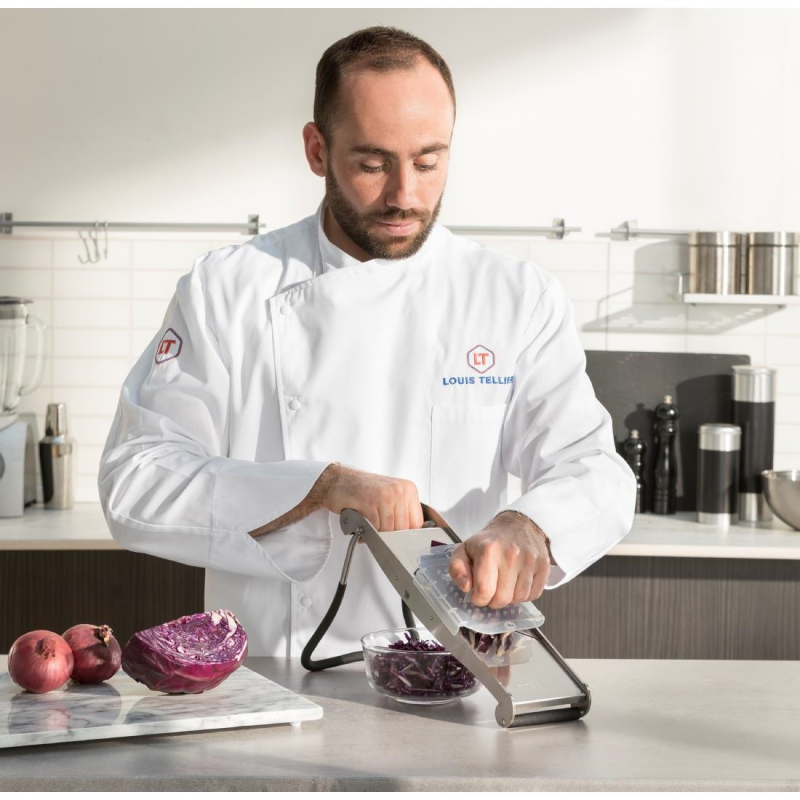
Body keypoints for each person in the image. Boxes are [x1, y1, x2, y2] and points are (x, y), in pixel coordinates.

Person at [98, 26, 636, 658]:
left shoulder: (514, 296)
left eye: (428, 162)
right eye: (373, 165)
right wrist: (317, 488)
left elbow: (595, 470)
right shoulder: (227, 289)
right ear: (316, 150)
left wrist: (530, 526)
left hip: (454, 673)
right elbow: (136, 479)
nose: (404, 196)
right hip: (272, 675)